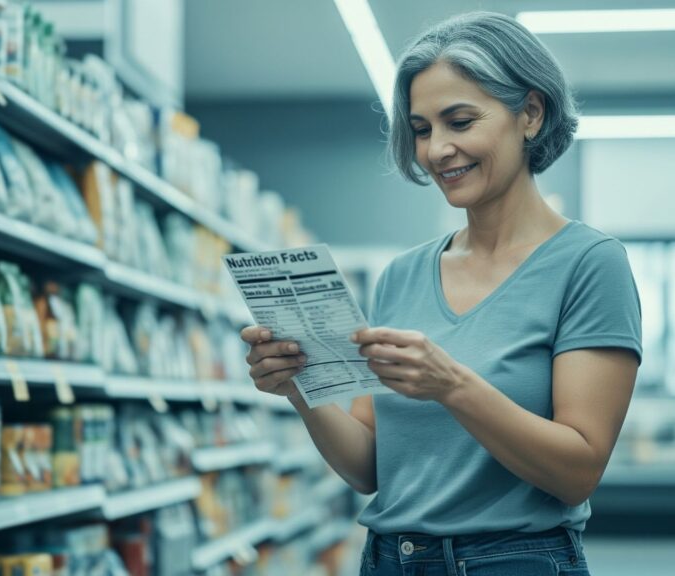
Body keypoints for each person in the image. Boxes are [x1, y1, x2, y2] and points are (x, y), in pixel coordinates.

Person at [240, 11, 641, 576]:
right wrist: (300, 387)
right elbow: (368, 468)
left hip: (513, 561)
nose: (437, 150)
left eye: (459, 121)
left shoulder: (589, 265)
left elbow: (577, 470)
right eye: (423, 129)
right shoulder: (401, 276)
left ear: (530, 113)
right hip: (388, 560)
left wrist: (451, 385)